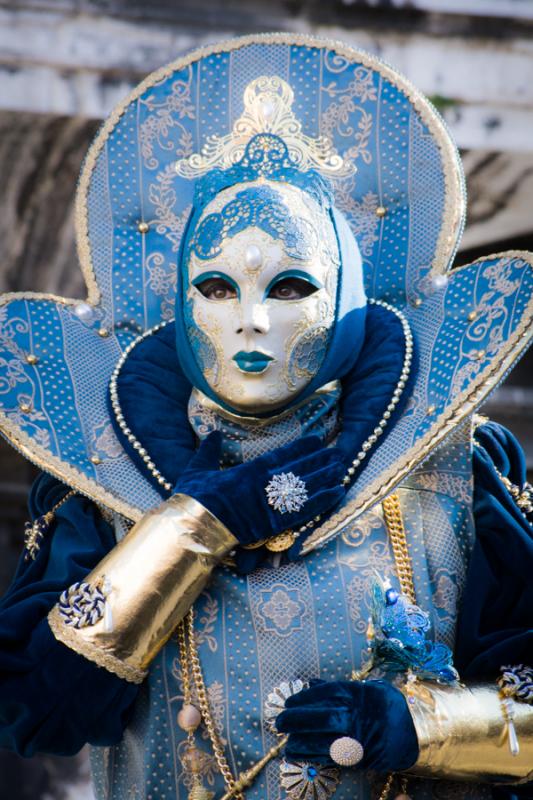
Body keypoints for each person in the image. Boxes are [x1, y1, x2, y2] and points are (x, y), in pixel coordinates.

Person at [0, 33, 532, 800]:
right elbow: (37, 709)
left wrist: (421, 727)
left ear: (344, 292)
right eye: (216, 289)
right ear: (182, 301)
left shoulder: (456, 466)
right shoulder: (101, 477)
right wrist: (188, 528)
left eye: (288, 289)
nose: (249, 322)